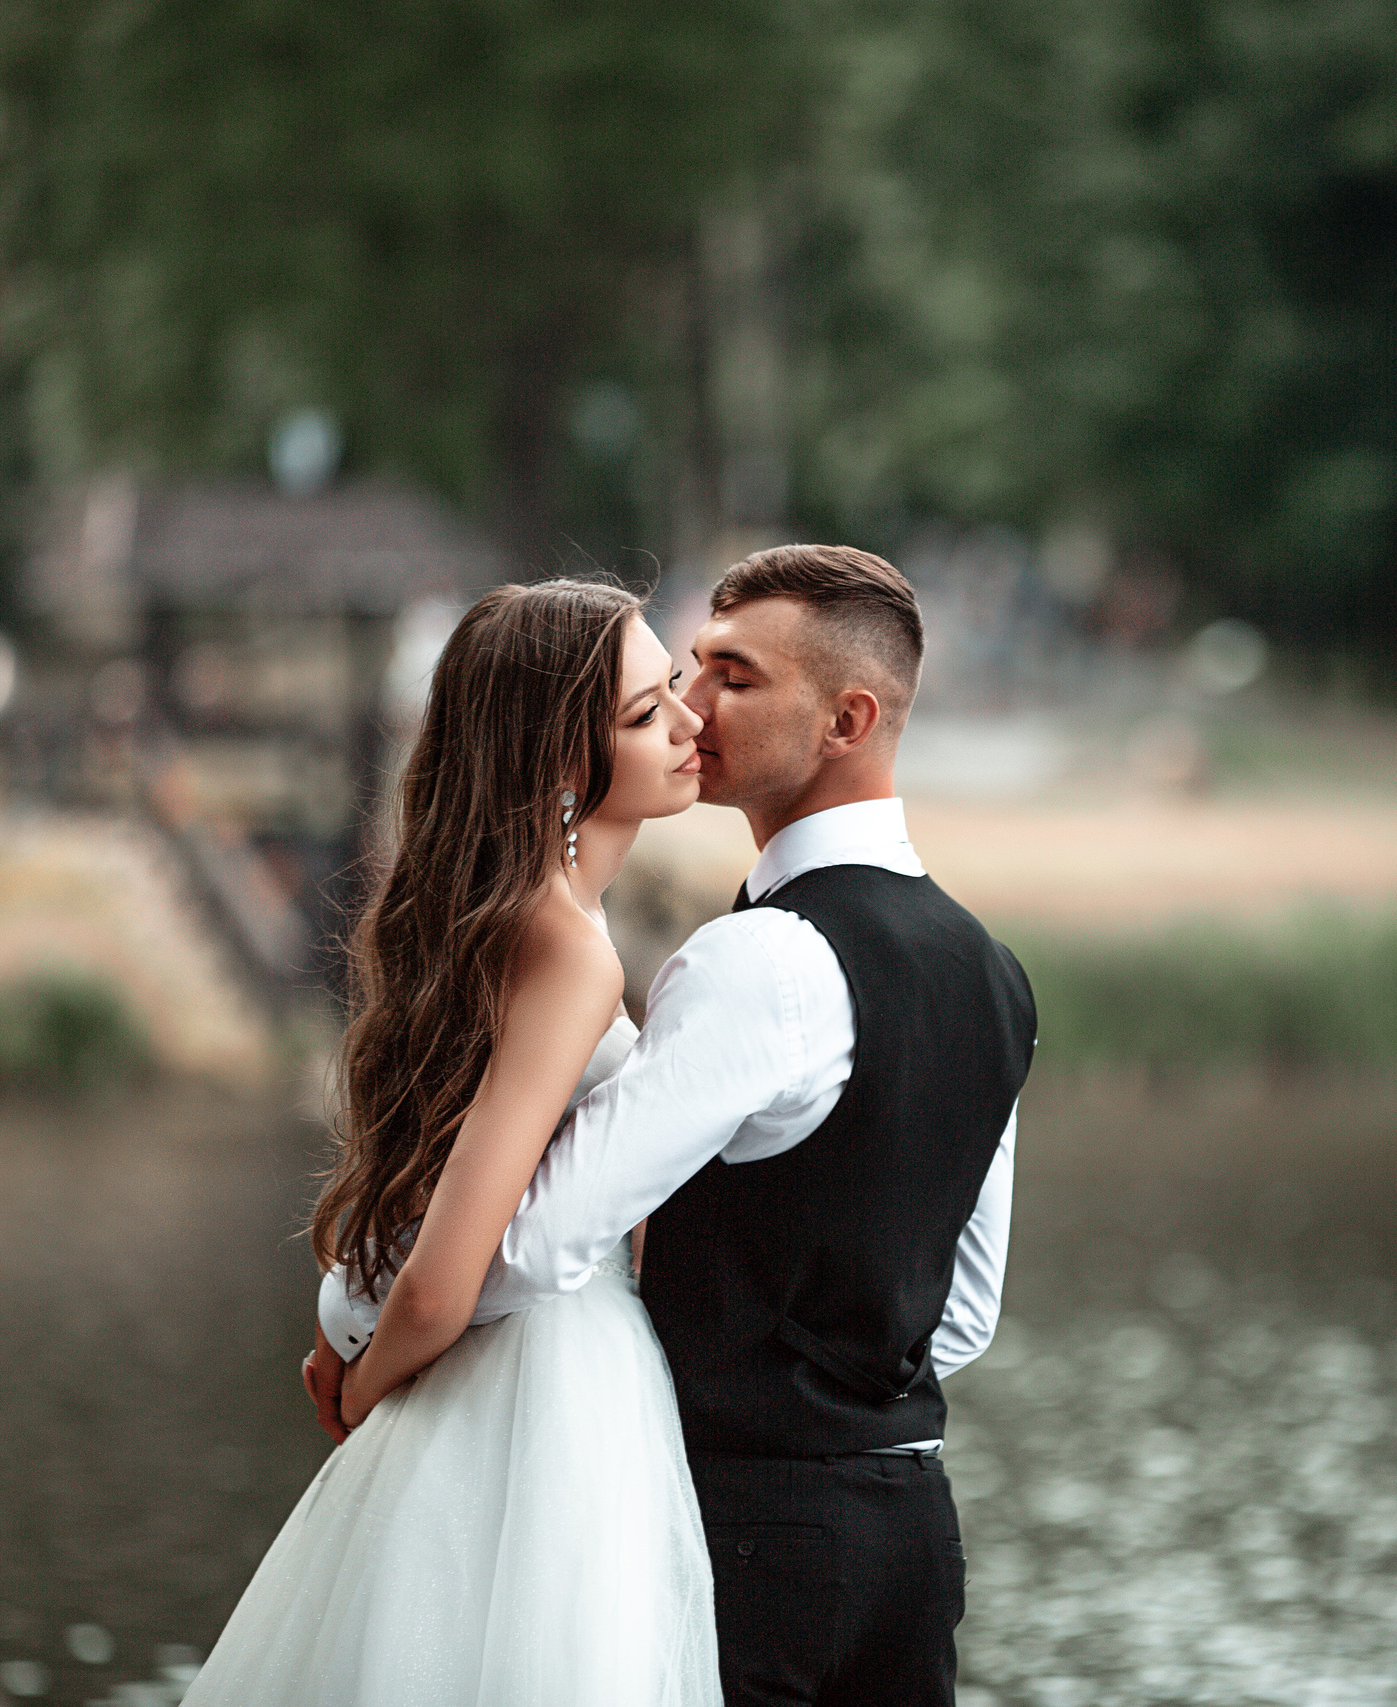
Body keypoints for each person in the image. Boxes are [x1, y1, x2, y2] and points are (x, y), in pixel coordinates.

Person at [311, 544, 1036, 1706]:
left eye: (733, 677)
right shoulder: (996, 975)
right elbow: (961, 1316)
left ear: (848, 716)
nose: (694, 706)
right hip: (912, 1537)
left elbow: (540, 1243)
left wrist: (359, 1342)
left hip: (750, 1532)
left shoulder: (758, 957)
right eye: (686, 672)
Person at [187, 578, 720, 1703]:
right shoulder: (570, 950)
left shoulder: (513, 918)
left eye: (672, 687)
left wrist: (355, 1358)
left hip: (501, 1375)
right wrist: (366, 1392)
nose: (688, 723)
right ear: (558, 763)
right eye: (643, 713)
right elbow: (445, 1277)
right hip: (541, 1389)